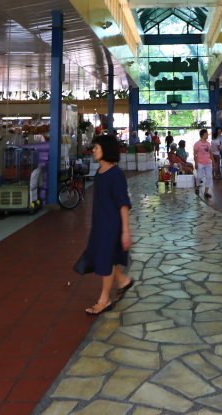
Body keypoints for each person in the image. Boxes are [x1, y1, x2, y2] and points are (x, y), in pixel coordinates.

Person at [83, 134, 134, 316]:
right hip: (100, 224)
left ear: (107, 150)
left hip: (112, 227)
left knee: (105, 261)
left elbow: (123, 204)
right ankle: (123, 281)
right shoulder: (100, 172)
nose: (94, 150)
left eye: (97, 147)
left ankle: (104, 300)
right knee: (107, 258)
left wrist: (125, 232)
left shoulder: (116, 175)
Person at [192, 129, 213, 199]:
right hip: (200, 162)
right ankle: (197, 186)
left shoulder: (208, 143)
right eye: (206, 134)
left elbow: (210, 153)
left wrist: (213, 162)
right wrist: (196, 163)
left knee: (209, 177)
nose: (207, 135)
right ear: (202, 135)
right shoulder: (197, 144)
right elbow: (195, 154)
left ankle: (206, 192)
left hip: (208, 163)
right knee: (199, 176)